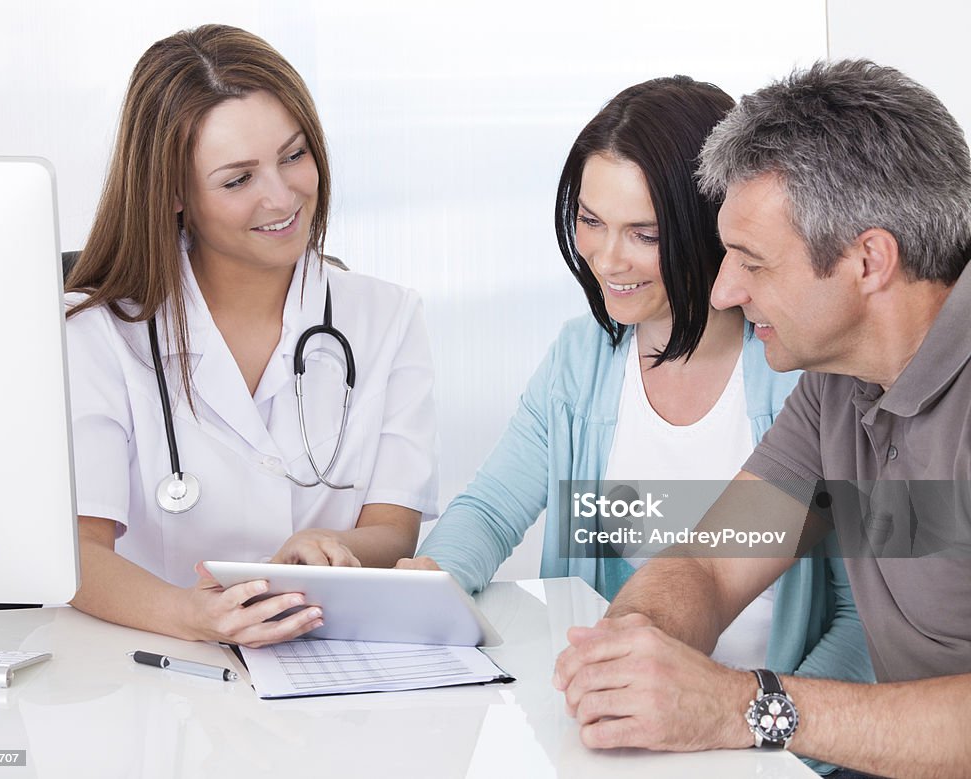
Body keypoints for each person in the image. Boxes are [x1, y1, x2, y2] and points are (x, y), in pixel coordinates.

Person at [399, 76, 871, 765]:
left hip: (772, 745)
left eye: (643, 233)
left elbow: (862, 628)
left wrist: (764, 746)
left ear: (719, 226)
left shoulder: (804, 373)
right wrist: (429, 585)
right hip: (620, 741)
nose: (606, 258)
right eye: (591, 220)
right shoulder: (582, 361)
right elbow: (492, 508)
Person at [553, 60, 971, 778]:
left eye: (751, 261)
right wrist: (632, 645)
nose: (721, 290)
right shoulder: (835, 381)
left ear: (869, 260)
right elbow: (716, 561)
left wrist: (746, 706)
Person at [64, 25, 437, 648]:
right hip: (151, 669)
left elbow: (393, 529)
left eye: (293, 156)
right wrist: (190, 615)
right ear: (175, 193)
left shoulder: (386, 316)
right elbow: (77, 552)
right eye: (238, 180)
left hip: (326, 669)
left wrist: (333, 546)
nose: (282, 195)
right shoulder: (96, 332)